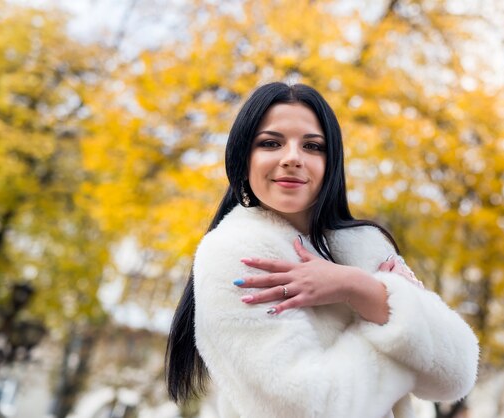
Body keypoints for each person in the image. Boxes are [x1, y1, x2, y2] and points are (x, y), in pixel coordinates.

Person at [166, 82, 479, 418]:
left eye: (313, 146)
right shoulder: (234, 253)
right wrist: (394, 325)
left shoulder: (365, 244)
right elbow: (308, 407)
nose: (292, 158)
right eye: (271, 143)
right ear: (244, 159)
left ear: (331, 164)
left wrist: (361, 289)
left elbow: (456, 377)